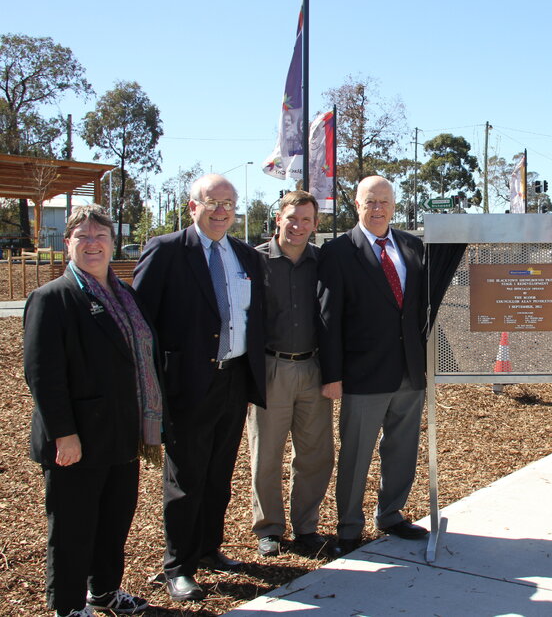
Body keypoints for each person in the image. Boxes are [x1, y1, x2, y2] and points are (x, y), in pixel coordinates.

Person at [132, 174, 266, 603]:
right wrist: (154, 386)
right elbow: (141, 323)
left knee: (219, 474)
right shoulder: (167, 251)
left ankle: (209, 549)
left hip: (233, 379)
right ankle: (179, 567)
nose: (222, 211)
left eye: (229, 202)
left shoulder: (246, 256)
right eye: (213, 203)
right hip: (186, 385)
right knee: (186, 477)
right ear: (193, 206)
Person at [24, 205, 155, 616]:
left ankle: (103, 593)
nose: (93, 243)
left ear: (113, 243)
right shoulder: (52, 299)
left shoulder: (126, 295)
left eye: (101, 235)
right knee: (72, 530)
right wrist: (64, 434)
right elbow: (43, 376)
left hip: (121, 434)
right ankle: (67, 606)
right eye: (83, 236)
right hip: (76, 439)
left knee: (113, 524)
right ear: (67, 244)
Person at [318, 175, 429, 554]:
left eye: (384, 201)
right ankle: (348, 526)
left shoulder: (413, 247)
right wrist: (331, 375)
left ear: (394, 205)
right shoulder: (336, 252)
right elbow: (328, 319)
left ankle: (391, 514)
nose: (378, 208)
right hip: (362, 374)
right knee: (356, 452)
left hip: (410, 371)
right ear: (357, 204)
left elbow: (421, 310)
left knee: (402, 448)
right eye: (370, 201)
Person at [249, 190, 334, 560]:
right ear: (278, 219)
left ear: (316, 225)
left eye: (306, 220)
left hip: (314, 368)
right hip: (271, 368)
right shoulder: (254, 261)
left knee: (315, 454)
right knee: (265, 454)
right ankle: (268, 528)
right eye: (292, 217)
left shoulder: (325, 262)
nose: (298, 226)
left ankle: (306, 527)